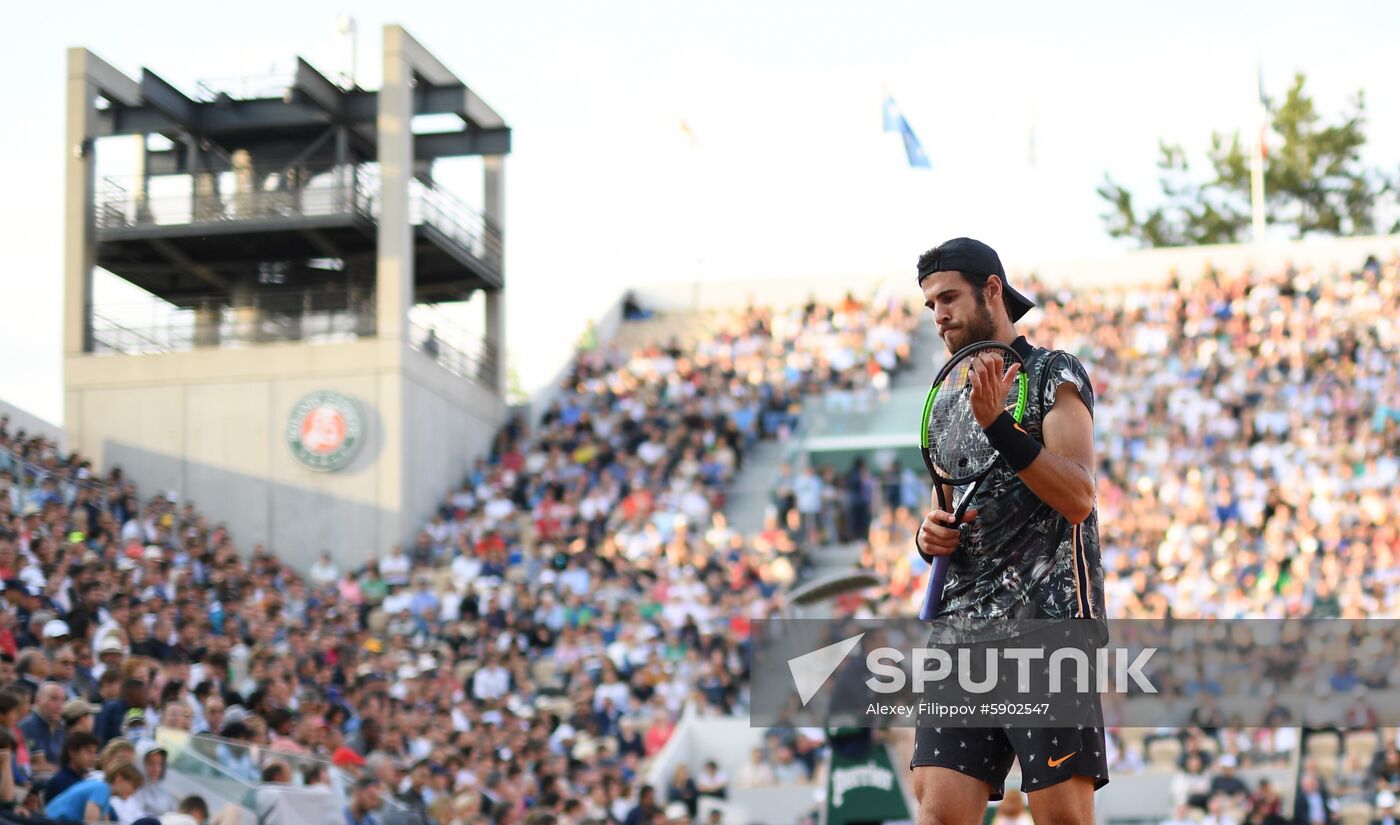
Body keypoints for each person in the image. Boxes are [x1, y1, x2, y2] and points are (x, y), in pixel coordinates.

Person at [910, 239, 1106, 825]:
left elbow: (1078, 497)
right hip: (961, 633)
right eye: (931, 304)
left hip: (1047, 628)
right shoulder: (948, 404)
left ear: (992, 290)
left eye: (949, 297)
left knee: (1062, 818)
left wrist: (998, 425)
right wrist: (928, 537)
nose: (939, 314)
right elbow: (948, 511)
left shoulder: (1053, 372)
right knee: (939, 815)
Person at [45, 758, 145, 822]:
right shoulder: (102, 789)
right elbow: (91, 822)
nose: (134, 792)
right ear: (119, 778)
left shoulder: (104, 793)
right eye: (134, 786)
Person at [45, 730, 99, 802]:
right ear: (72, 752)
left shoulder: (85, 779)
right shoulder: (61, 783)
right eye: (88, 752)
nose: (93, 758)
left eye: (94, 753)